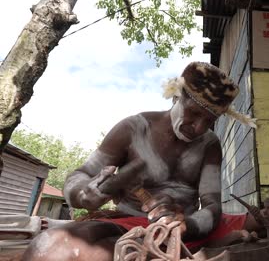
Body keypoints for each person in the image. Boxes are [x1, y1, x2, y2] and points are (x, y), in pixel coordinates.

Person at [22, 61, 256, 261]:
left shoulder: (210, 144)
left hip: (187, 227)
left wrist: (186, 226)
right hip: (126, 223)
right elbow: (79, 176)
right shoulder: (133, 129)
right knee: (53, 248)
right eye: (194, 113)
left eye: (210, 120)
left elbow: (213, 207)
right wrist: (82, 194)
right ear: (176, 96)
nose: (199, 128)